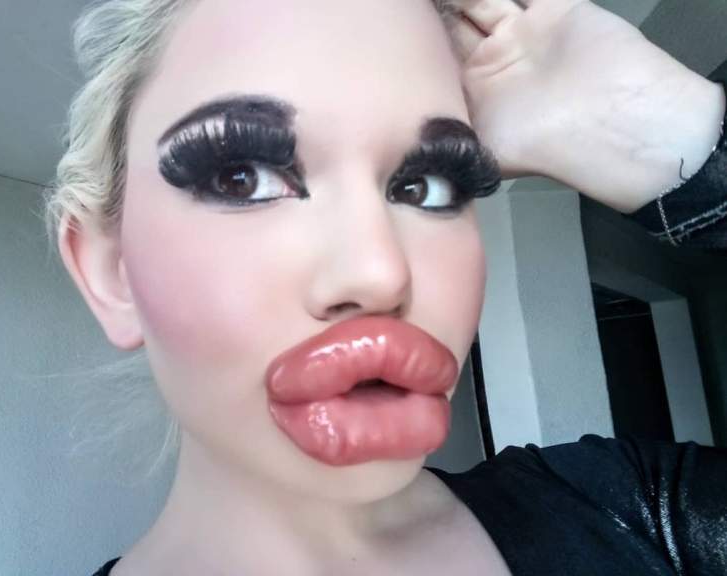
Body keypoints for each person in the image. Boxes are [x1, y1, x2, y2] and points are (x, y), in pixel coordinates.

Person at [44, 0, 726, 574]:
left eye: (425, 186)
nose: (380, 273)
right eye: (243, 178)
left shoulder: (634, 510)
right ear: (111, 271)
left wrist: (669, 134)